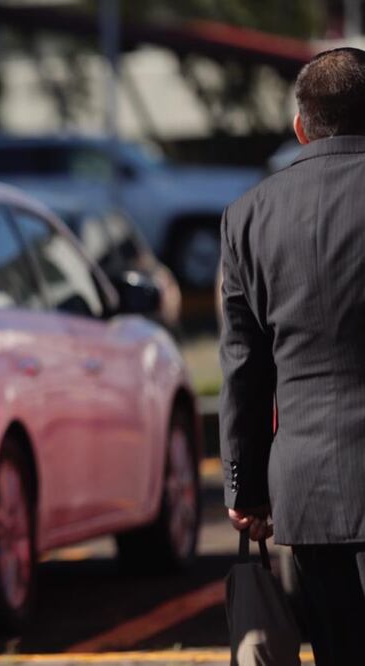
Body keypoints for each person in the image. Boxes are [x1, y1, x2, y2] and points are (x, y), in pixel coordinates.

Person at [219, 47, 365, 666]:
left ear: (301, 127)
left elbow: (244, 369)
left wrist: (245, 486)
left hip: (308, 488)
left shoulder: (247, 216)